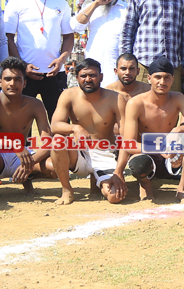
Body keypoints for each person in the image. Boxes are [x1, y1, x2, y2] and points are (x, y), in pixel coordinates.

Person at [0, 56, 75, 204]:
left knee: (54, 168)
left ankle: (27, 181)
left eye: (17, 79)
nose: (12, 83)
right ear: (0, 82)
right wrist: (14, 145)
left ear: (25, 83)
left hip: (24, 155)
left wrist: (30, 162)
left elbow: (48, 142)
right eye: (7, 79)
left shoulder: (35, 104)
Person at [113, 55, 184, 204]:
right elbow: (129, 144)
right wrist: (159, 148)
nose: (162, 82)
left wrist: (177, 130)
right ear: (149, 79)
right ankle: (145, 184)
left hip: (170, 154)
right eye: (158, 77)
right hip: (147, 154)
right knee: (138, 164)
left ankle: (181, 190)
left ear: (172, 80)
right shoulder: (136, 103)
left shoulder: (178, 98)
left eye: (167, 78)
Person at [50, 58, 130, 202]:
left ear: (101, 77)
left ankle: (99, 180)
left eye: (92, 75)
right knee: (58, 140)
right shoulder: (68, 95)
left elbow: (126, 137)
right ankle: (66, 189)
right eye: (83, 76)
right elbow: (54, 125)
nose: (88, 79)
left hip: (105, 153)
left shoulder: (116, 98)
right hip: (79, 153)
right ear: (77, 78)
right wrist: (75, 127)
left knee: (115, 197)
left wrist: (118, 171)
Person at [3, 0, 74, 119]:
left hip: (54, 73)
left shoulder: (61, 3)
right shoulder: (16, 3)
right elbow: (8, 38)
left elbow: (69, 37)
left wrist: (61, 60)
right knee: (21, 121)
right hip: (25, 73)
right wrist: (22, 65)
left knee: (60, 121)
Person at [71, 0, 127, 87]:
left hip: (117, 66)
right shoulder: (91, 7)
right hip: (93, 66)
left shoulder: (126, 9)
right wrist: (96, 3)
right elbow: (76, 27)